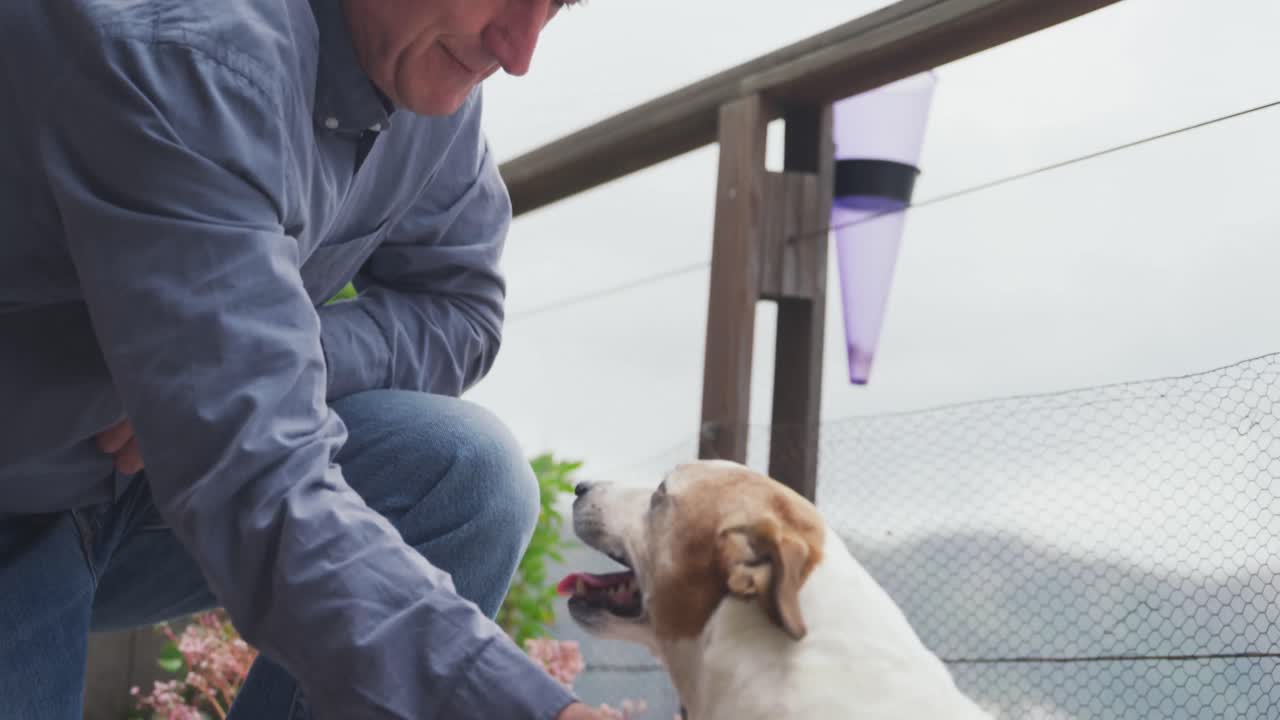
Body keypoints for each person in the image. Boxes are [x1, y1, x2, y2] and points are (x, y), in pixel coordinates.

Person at [0, 0, 607, 718]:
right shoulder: (191, 49)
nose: (519, 50)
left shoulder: (423, 77)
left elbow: (462, 308)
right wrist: (539, 712)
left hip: (143, 481)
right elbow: (255, 477)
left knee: (466, 473)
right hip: (22, 490)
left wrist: (251, 356)